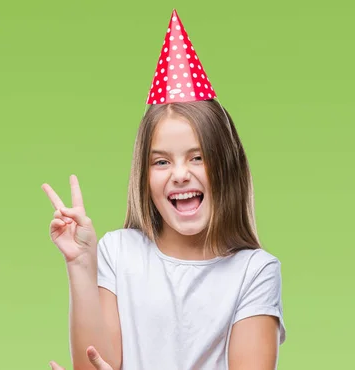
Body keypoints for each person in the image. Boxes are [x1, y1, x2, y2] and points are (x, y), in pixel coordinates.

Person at [41, 9, 286, 370]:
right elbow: (94, 364)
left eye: (198, 157)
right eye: (161, 162)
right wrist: (80, 265)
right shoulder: (119, 252)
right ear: (144, 176)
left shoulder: (254, 272)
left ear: (227, 166)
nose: (180, 174)